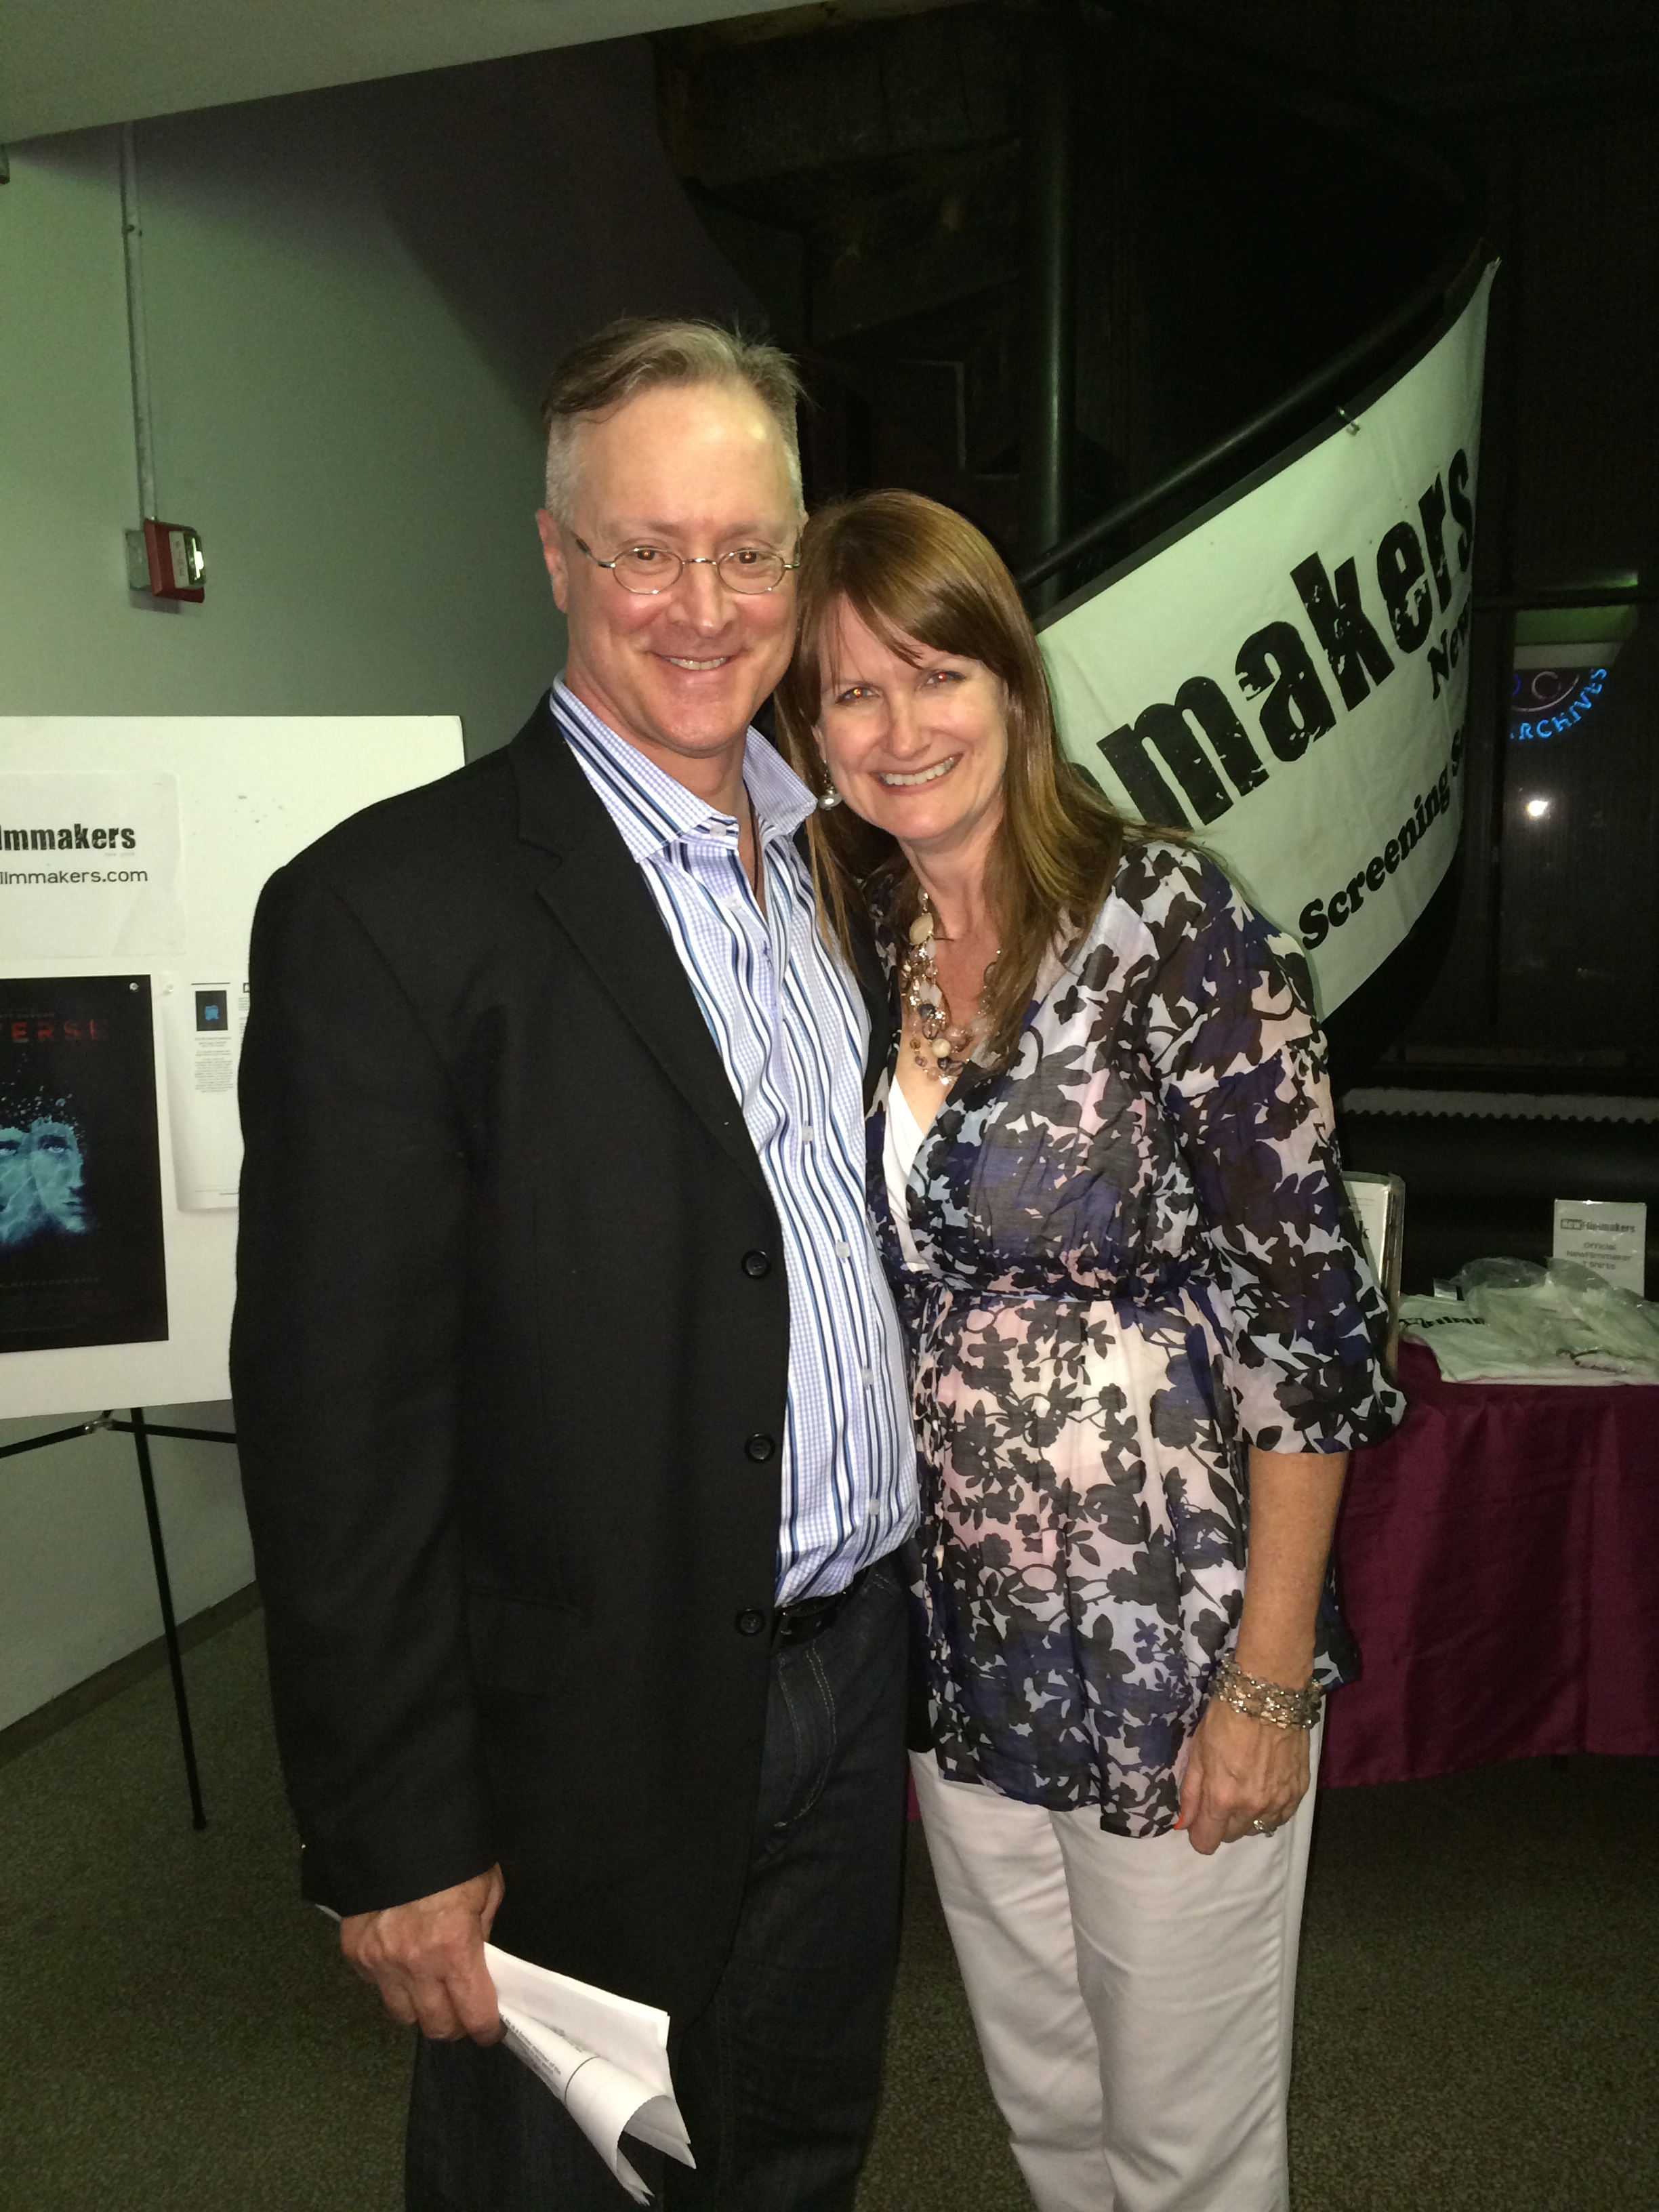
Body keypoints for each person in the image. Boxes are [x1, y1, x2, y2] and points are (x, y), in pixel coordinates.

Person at [230, 321, 918, 2212]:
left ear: (802, 556)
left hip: (852, 1678)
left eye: (749, 549)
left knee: (794, 2154)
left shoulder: (841, 876)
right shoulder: (387, 912)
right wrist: (392, 1836)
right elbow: (333, 1427)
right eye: (644, 550)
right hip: (577, 1742)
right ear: (556, 559)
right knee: (556, 2186)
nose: (702, 606)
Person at [774, 489, 1405, 2212]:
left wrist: (1266, 1686)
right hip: (959, 1642)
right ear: (813, 736)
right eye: (850, 694)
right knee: (1047, 2102)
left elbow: (1314, 1332)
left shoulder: (1175, 929)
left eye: (935, 673)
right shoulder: (857, 945)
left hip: (1171, 1645)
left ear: (1014, 682)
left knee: (1189, 2144)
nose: (900, 729)